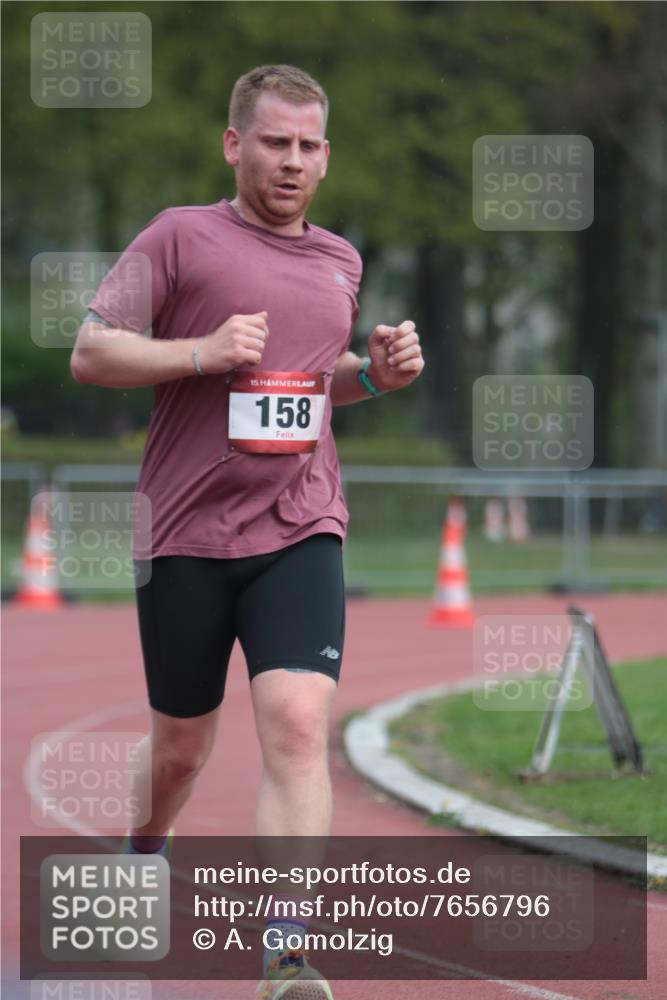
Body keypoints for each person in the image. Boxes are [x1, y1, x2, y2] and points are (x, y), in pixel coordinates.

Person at [71, 64, 424, 999]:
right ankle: (144, 853)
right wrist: (201, 352)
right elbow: (92, 351)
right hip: (184, 535)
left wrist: (374, 375)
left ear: (326, 156)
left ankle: (286, 952)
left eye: (308, 146)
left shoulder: (341, 260)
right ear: (235, 145)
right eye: (274, 142)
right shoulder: (177, 236)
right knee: (180, 750)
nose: (292, 161)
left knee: (299, 726)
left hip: (301, 525)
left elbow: (310, 382)